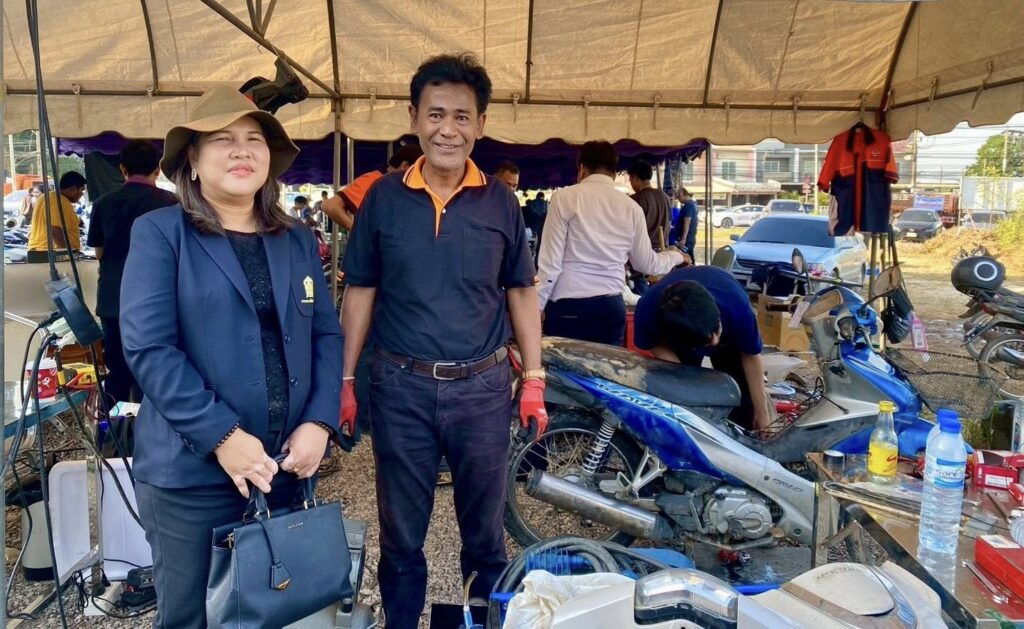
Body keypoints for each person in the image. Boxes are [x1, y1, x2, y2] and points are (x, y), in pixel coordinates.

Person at [119, 85, 343, 629]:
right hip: (191, 478)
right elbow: (150, 348)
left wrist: (319, 422)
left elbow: (325, 335)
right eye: (222, 140)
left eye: (253, 139)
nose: (242, 150)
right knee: (193, 616)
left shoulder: (294, 238)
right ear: (192, 161)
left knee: (280, 609)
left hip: (283, 466)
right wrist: (223, 436)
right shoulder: (160, 233)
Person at [341, 52, 546, 628]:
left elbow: (520, 291)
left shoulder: (500, 201)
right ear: (413, 118)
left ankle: (484, 621)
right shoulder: (383, 197)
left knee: (485, 535)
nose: (447, 130)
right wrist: (346, 379)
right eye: (435, 115)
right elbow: (360, 289)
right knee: (401, 535)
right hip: (400, 387)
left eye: (461, 116)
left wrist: (534, 378)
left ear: (480, 123)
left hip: (482, 389)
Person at [536, 141, 686, 345]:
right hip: (610, 308)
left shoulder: (564, 198)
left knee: (564, 366)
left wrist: (537, 306)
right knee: (606, 366)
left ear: (582, 169)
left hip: (569, 308)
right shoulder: (631, 208)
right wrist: (677, 256)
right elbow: (647, 264)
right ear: (614, 173)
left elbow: (550, 264)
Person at [86, 140, 178, 403]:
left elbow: (99, 253)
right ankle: (149, 425)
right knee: (156, 372)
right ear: (157, 169)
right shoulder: (172, 204)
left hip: (114, 298)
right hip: (161, 301)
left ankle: (113, 425)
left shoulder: (103, 203)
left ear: (123, 169)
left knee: (117, 370)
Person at [633, 265, 770, 432]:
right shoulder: (647, 312)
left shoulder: (736, 306)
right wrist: (684, 379)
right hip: (682, 335)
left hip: (727, 317)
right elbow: (654, 345)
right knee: (682, 397)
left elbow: (751, 355)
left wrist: (762, 412)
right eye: (707, 342)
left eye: (717, 330)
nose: (715, 341)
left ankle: (741, 434)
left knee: (744, 401)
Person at [321, 143, 423, 231]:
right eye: (418, 174)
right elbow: (330, 206)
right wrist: (359, 234)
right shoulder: (373, 181)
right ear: (405, 166)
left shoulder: (400, 189)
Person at [26, 172, 87, 263]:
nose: (82, 194)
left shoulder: (46, 197)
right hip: (51, 254)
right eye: (81, 190)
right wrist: (67, 254)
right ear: (73, 189)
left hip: (43, 252)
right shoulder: (58, 201)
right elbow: (55, 229)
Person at [627, 159, 670, 248]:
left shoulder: (634, 199)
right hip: (663, 250)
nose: (631, 183)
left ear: (635, 178)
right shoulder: (665, 197)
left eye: (630, 180)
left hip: (644, 251)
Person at [671, 187, 699, 257]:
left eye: (679, 197)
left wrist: (683, 239)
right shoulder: (693, 204)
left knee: (685, 257)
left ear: (682, 194)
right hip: (690, 237)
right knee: (689, 257)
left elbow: (687, 223)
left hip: (686, 240)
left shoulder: (688, 206)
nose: (679, 200)